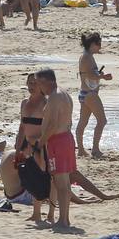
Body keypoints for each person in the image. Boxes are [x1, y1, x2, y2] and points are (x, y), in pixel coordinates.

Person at [39, 68, 77, 230]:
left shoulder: (54, 96)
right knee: (64, 182)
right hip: (66, 138)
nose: (40, 87)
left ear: (47, 81)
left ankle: (63, 219)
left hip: (58, 141)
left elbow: (53, 124)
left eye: (40, 83)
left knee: (61, 183)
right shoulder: (64, 94)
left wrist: (42, 141)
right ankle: (65, 218)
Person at [75, 32, 111, 158]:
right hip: (90, 94)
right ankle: (95, 149)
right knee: (102, 121)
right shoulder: (86, 57)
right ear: (92, 44)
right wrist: (102, 76)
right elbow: (90, 75)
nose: (100, 47)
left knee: (83, 122)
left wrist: (99, 75)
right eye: (98, 44)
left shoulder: (87, 56)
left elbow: (88, 74)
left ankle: (80, 149)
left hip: (85, 93)